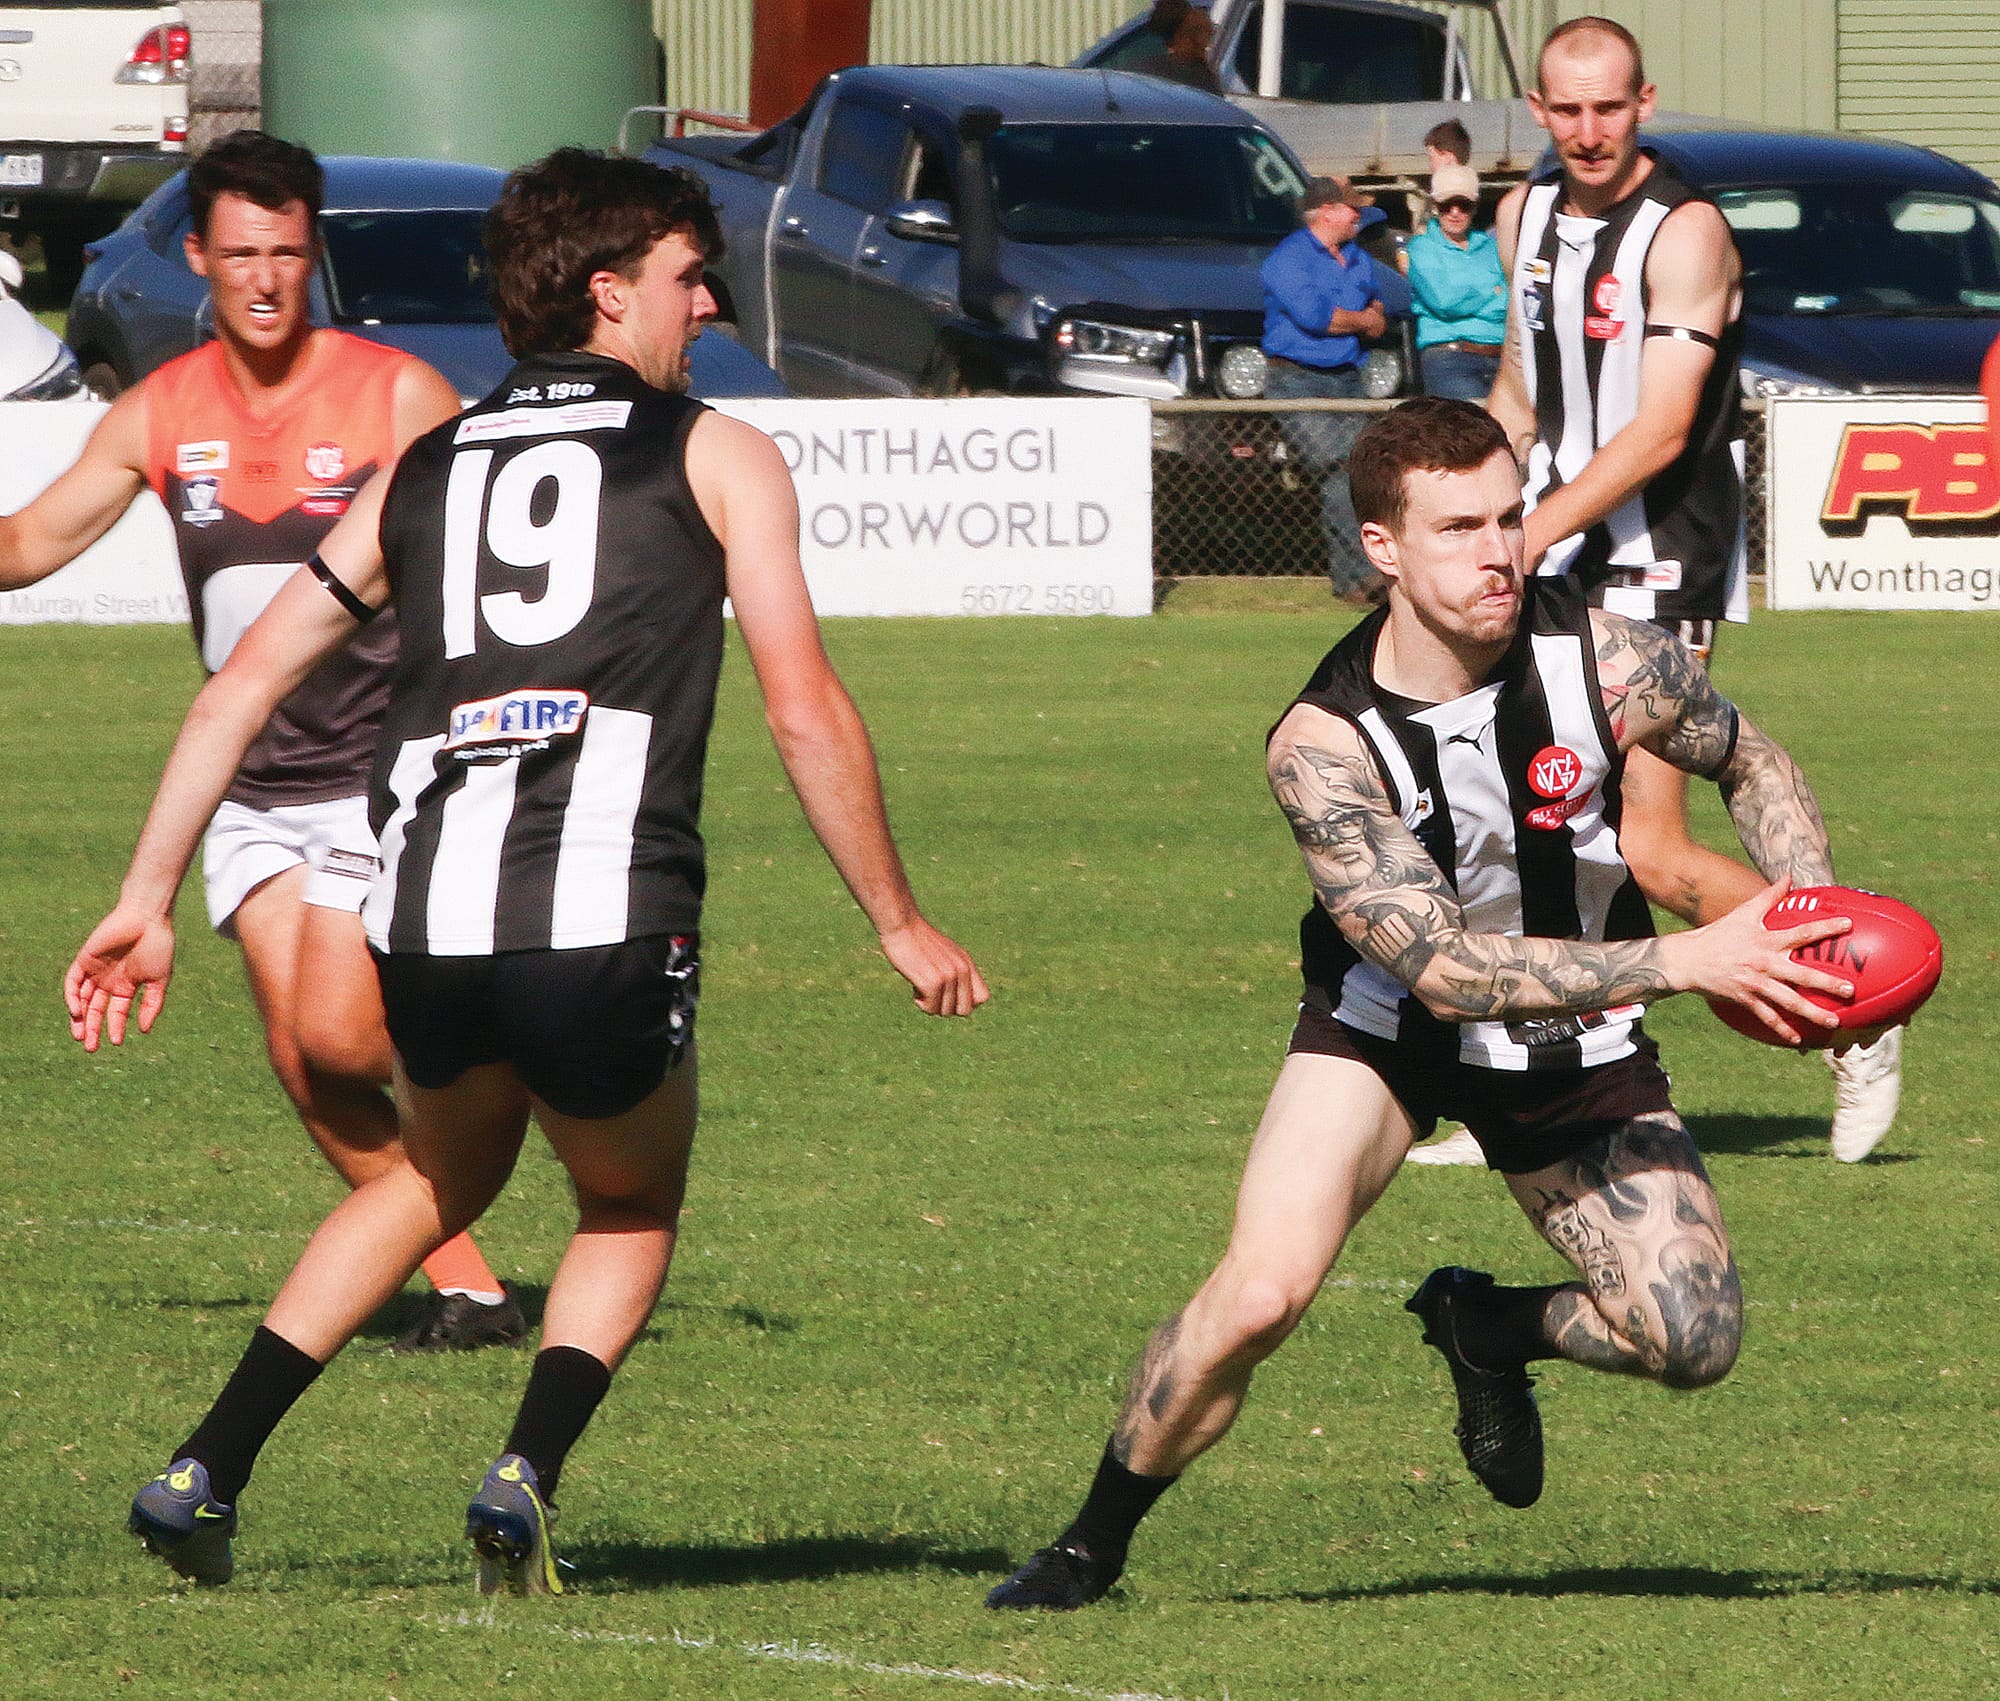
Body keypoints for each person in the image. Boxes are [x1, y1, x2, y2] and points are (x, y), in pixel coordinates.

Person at [67, 147, 989, 1593]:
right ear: (613, 291)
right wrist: (897, 914)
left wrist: (142, 896)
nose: (709, 310)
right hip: (604, 909)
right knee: (628, 1202)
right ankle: (523, 1475)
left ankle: (208, 1465)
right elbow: (802, 700)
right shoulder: (715, 449)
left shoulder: (422, 468)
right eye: (692, 280)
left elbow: (239, 685)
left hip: (421, 914)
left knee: (439, 1174)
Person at [985, 396, 1859, 1611]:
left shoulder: (1611, 657)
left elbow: (1748, 759)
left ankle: (1483, 1329)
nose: (1497, 550)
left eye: (1508, 517)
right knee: (1258, 1295)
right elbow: (1441, 967)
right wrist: (1689, 960)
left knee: (1692, 1339)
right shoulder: (1323, 744)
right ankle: (1090, 1543)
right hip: (1388, 1031)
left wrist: (1812, 908)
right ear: (1382, 548)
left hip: (1574, 1036)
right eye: (1454, 528)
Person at [0, 131, 527, 1348]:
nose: (264, 278)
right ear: (197, 255)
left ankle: (514, 1046)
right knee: (308, 1068)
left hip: (381, 768)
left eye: (287, 253)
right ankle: (471, 1292)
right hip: (251, 786)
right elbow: (27, 547)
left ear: (312, 254)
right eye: (240, 253)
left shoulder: (397, 395)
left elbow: (481, 570)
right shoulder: (156, 414)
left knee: (344, 1029)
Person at [1486, 17, 1901, 1160]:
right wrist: (1461, 510)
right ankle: (1527, 1089)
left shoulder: (1684, 232)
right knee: (1527, 824)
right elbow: (1521, 392)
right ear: (1534, 109)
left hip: (1654, 553)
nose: (1585, 129)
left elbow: (1662, 426)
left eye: (1606, 107)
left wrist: (1524, 538)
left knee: (1652, 852)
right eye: (1564, 109)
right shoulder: (1521, 218)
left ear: (1643, 103)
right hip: (1551, 543)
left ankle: (1852, 1008)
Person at [1261, 175, 1390, 601]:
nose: (1359, 216)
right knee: (1338, 469)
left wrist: (1365, 317)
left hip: (1347, 377)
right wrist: (1362, 321)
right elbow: (1316, 317)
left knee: (1361, 474)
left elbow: (1378, 307)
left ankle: (1359, 579)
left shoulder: (1356, 257)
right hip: (1295, 379)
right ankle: (1357, 580)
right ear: (1328, 211)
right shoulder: (1288, 259)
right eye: (1352, 208)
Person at [1403, 164, 1506, 401]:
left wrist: (1483, 296)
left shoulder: (1492, 247)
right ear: (1436, 208)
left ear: (1476, 206)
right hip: (1450, 360)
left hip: (1501, 359)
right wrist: (1492, 289)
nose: (1455, 213)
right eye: (1446, 205)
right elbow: (1444, 301)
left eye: (1464, 205)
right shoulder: (1421, 249)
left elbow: (1510, 302)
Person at [1130, 0, 1222, 93]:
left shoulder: (1206, 74)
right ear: (1178, 38)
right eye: (1196, 31)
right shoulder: (1150, 75)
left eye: (1210, 30)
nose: (1206, 40)